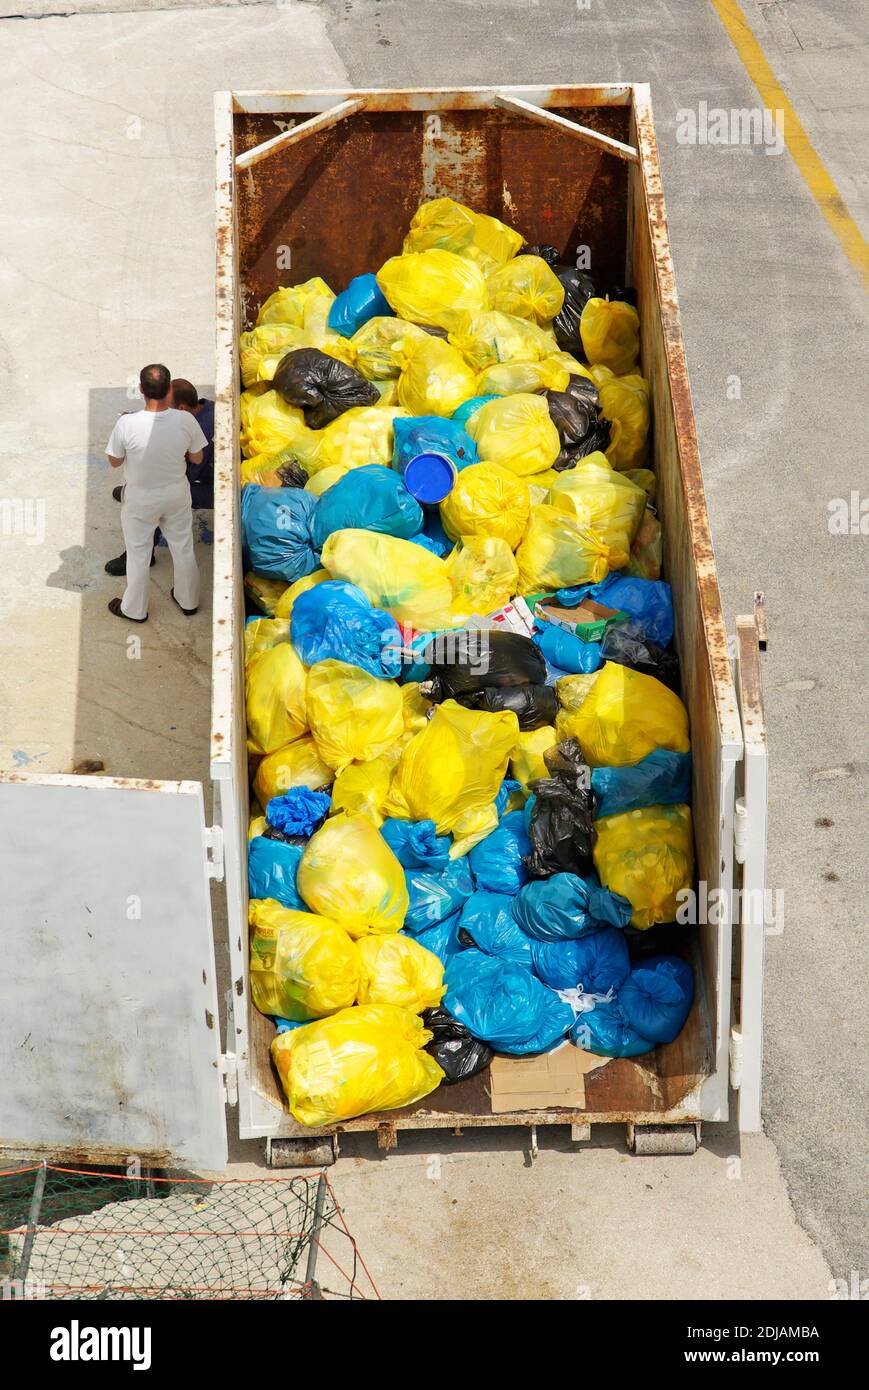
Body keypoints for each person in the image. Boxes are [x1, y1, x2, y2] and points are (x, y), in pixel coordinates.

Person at [105, 363, 206, 623]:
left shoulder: (126, 424)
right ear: (169, 388)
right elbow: (197, 458)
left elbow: (114, 461)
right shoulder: (186, 420)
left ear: (141, 390)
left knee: (138, 553)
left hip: (140, 498)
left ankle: (134, 609)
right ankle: (188, 600)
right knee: (182, 547)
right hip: (176, 493)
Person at [170, 378, 215, 509]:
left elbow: (192, 473)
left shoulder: (201, 433)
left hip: (211, 485)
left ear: (182, 408)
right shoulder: (207, 405)